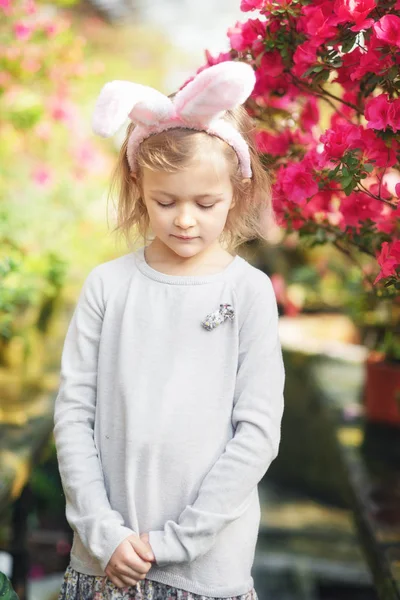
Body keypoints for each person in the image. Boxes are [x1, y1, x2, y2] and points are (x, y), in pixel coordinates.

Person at [54, 60, 286, 600]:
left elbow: (257, 432)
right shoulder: (107, 286)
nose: (185, 219)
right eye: (166, 202)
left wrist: (176, 542)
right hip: (104, 562)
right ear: (139, 187)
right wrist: (103, 532)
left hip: (204, 573)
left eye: (206, 204)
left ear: (238, 192)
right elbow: (73, 415)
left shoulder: (247, 293)